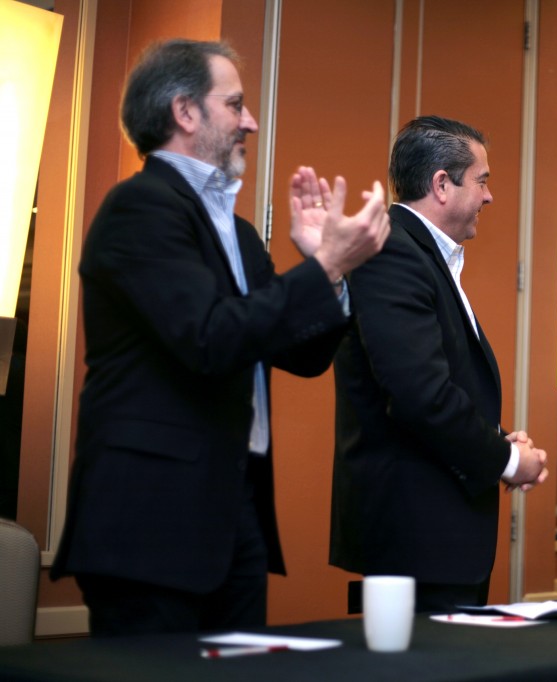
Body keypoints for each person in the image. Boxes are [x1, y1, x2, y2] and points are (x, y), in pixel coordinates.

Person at [50, 39, 390, 636]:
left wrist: (326, 271)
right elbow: (208, 339)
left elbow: (303, 355)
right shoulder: (140, 207)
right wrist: (323, 269)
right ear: (185, 113)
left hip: (233, 515)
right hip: (151, 521)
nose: (250, 121)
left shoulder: (232, 229)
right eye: (235, 105)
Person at [329, 116, 548, 613]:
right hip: (417, 537)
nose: (490, 196)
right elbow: (419, 395)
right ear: (441, 185)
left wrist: (497, 439)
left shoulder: (422, 256)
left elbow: (446, 384)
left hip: (439, 539)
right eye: (483, 180)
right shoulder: (392, 252)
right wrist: (510, 461)